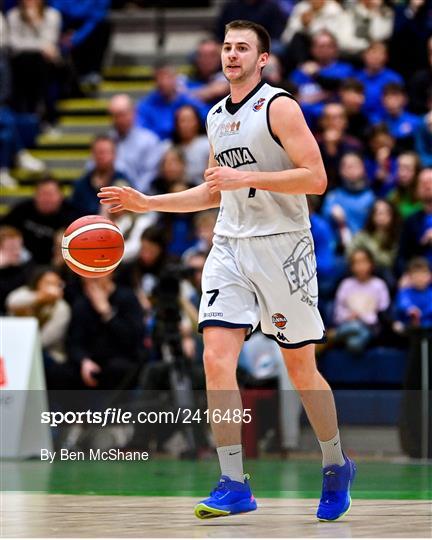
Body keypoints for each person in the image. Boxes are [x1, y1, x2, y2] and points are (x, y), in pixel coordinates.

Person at [99, 20, 356, 522]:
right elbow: (213, 192)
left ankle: (334, 463)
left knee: (301, 368)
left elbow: (317, 178)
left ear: (262, 59)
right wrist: (145, 201)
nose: (231, 54)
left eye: (243, 48)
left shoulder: (280, 106)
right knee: (215, 358)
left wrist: (249, 176)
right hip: (230, 246)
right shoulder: (215, 114)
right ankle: (233, 481)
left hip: (284, 248)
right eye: (227, 47)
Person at [0, 176, 76, 264]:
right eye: (42, 194)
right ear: (35, 195)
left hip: (57, 265)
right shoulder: (22, 209)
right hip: (22, 263)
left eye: (50, 194)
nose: (46, 199)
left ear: (61, 196)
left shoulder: (71, 214)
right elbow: (3, 227)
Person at [332, 247, 390, 353]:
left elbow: (383, 313)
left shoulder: (379, 285)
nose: (361, 266)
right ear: (351, 266)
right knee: (353, 333)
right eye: (356, 262)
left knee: (354, 343)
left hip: (370, 328)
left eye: (364, 261)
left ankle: (333, 337)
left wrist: (361, 316)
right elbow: (338, 311)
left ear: (371, 263)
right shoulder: (346, 285)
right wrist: (347, 316)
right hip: (347, 324)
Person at [135, 60, 207, 141]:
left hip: (189, 145)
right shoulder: (145, 105)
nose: (164, 82)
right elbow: (142, 132)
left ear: (176, 78)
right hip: (159, 147)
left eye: (168, 77)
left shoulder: (187, 99)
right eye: (159, 78)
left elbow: (207, 117)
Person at [108, 94, 164, 193]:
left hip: (141, 198)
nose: (119, 120)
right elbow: (92, 169)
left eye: (122, 114)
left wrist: (131, 195)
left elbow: (150, 174)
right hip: (109, 197)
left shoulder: (149, 140)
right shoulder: (107, 140)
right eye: (115, 115)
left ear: (133, 113)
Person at [71, 135, 130, 216]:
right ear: (92, 154)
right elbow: (73, 214)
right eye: (99, 152)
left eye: (106, 152)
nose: (102, 156)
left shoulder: (124, 182)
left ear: (114, 155)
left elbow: (130, 214)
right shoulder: (81, 184)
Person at [171, 105, 209, 186]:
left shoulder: (207, 145)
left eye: (190, 120)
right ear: (176, 123)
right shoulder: (168, 146)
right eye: (182, 121)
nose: (186, 125)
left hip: (201, 188)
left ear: (198, 122)